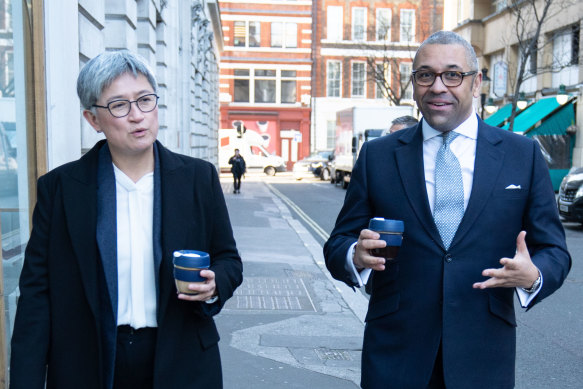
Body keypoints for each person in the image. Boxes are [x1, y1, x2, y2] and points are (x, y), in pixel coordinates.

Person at [324, 31, 571, 389]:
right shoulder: (378, 156)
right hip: (395, 356)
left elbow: (555, 251)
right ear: (413, 85)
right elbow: (337, 244)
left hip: (483, 358)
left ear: (476, 83)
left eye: (452, 74)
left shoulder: (522, 155)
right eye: (426, 75)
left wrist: (533, 276)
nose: (438, 86)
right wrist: (355, 255)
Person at [10, 50, 243, 389]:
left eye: (145, 100)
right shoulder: (61, 189)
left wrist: (213, 286)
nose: (138, 116)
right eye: (119, 105)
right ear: (93, 120)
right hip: (88, 364)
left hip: (182, 359)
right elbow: (36, 293)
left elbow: (229, 259)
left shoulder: (197, 179)